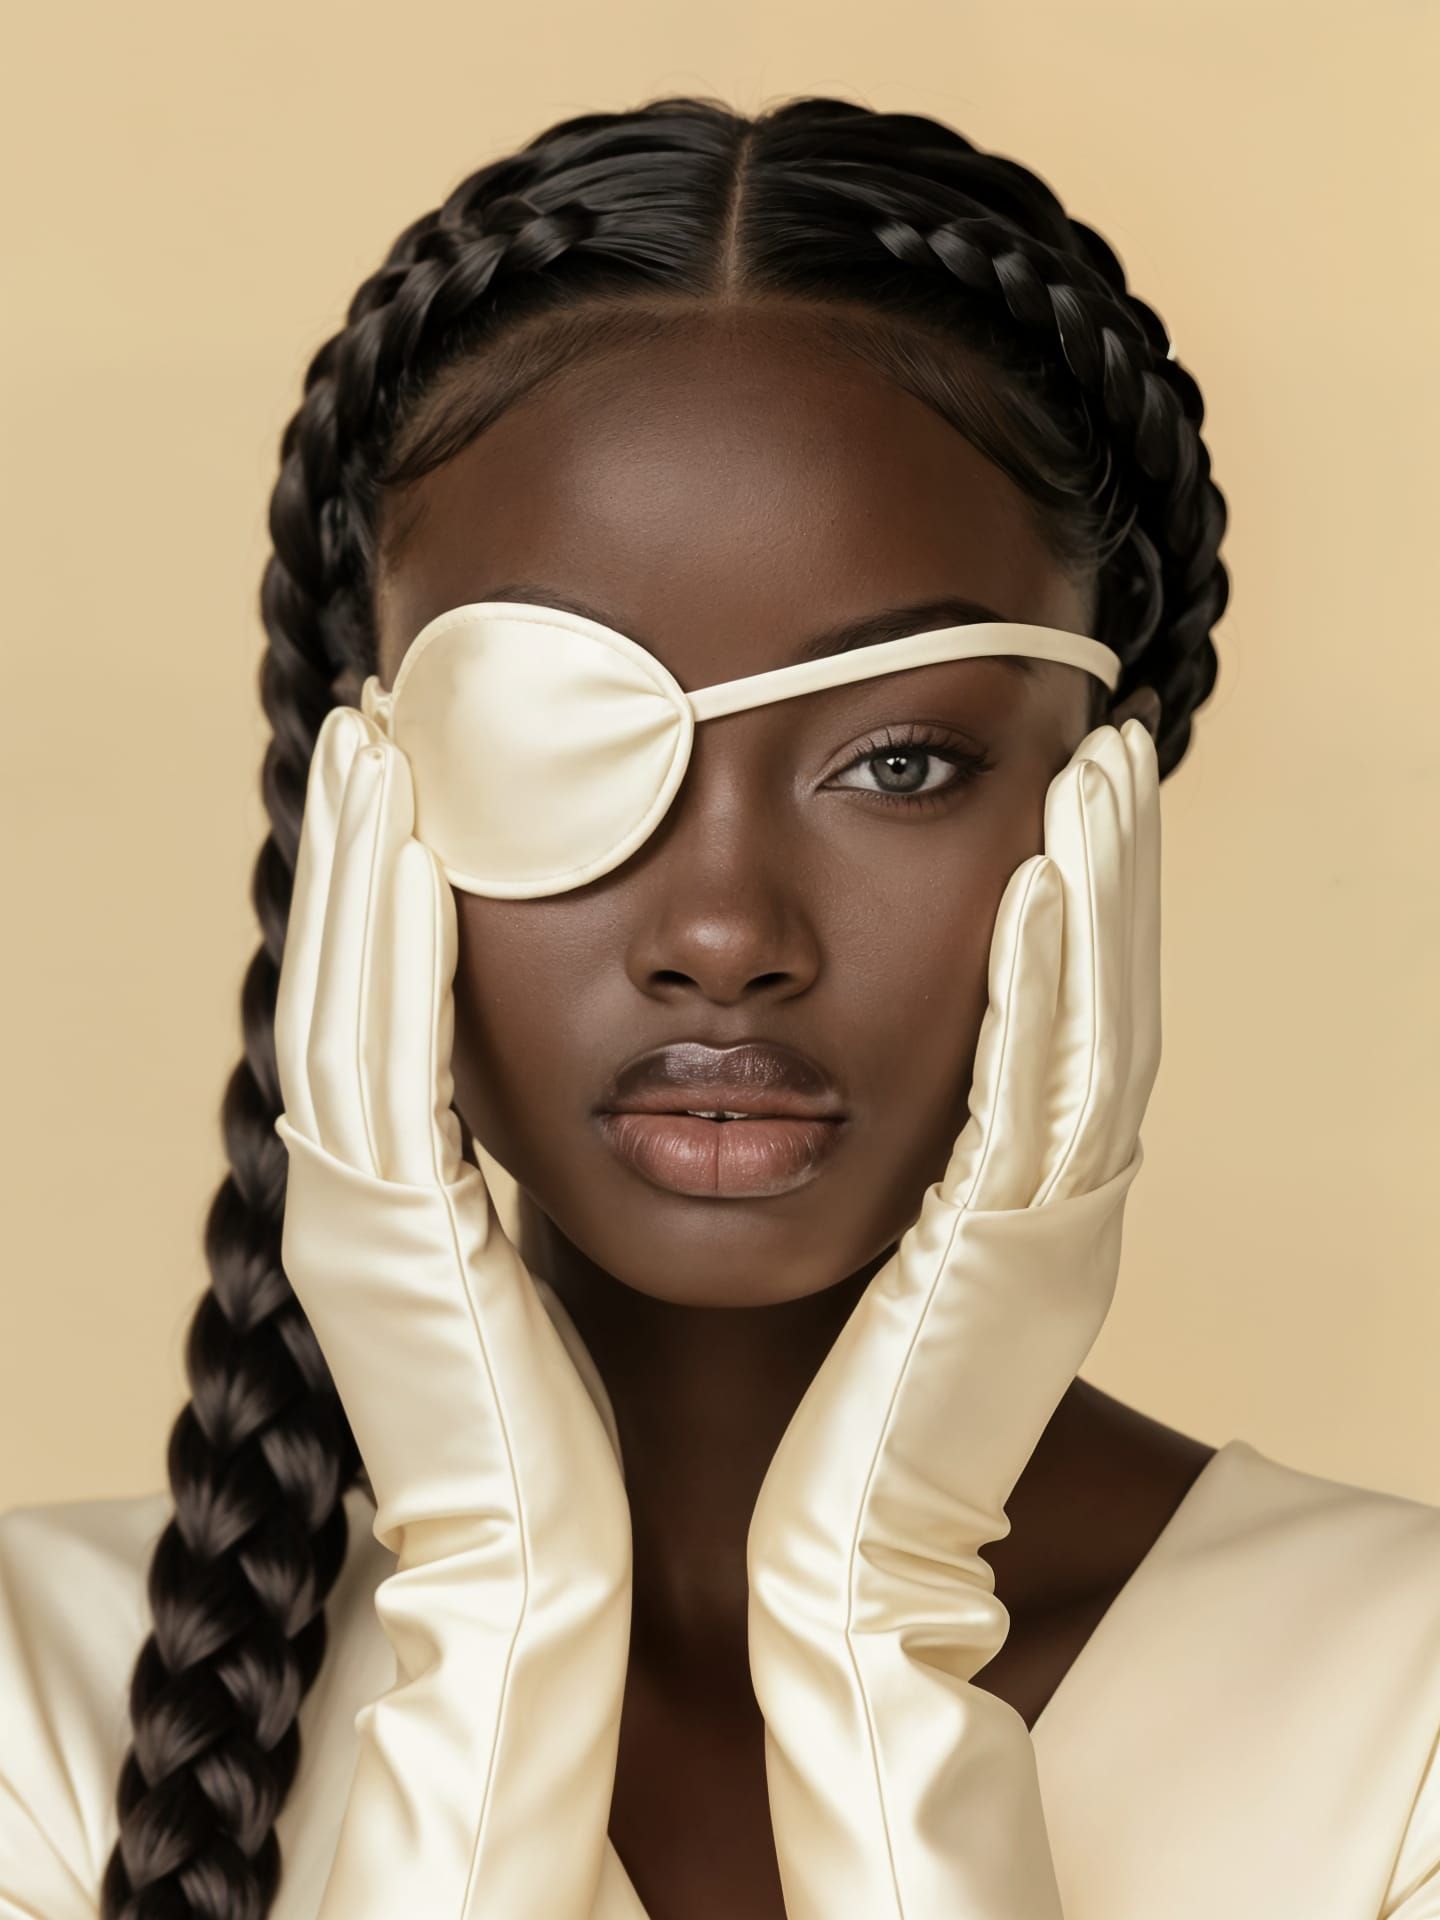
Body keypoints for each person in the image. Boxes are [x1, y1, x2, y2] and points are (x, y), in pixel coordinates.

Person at [2, 93, 1437, 1920]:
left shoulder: (1404, 1722)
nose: (723, 928)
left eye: (901, 761)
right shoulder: (42, 1720)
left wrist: (877, 1611)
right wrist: (505, 1618)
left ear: (1104, 810)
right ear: (362, 802)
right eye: (562, 746)